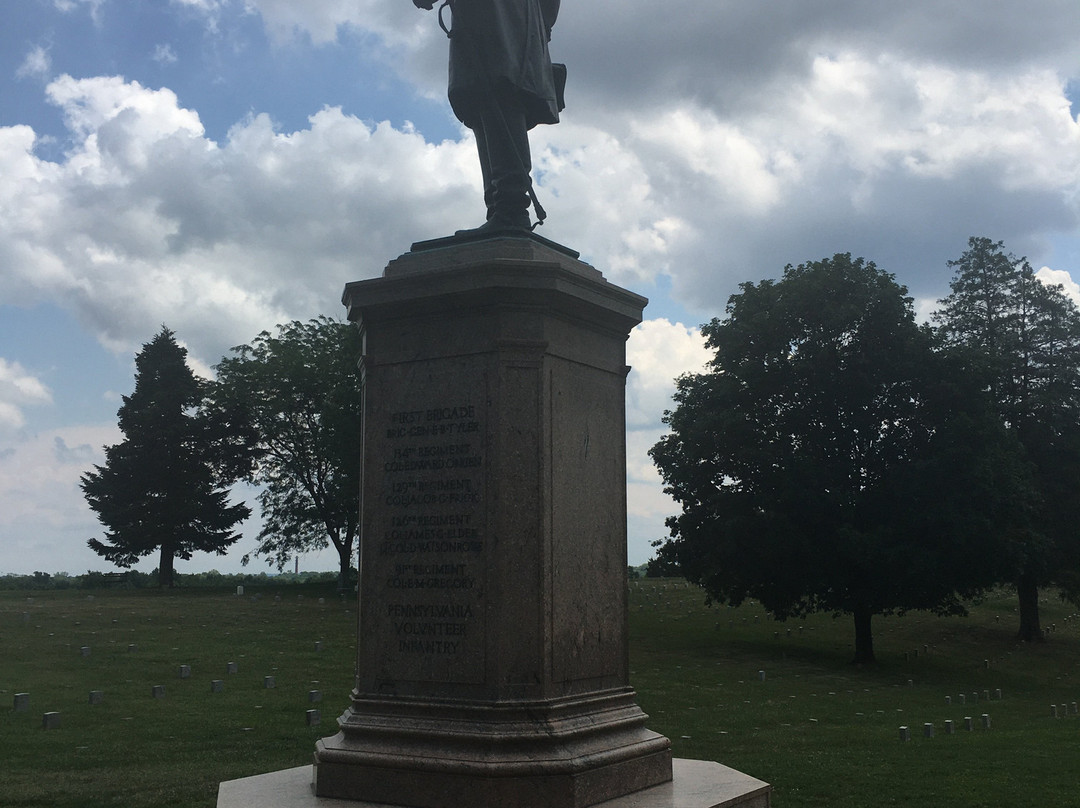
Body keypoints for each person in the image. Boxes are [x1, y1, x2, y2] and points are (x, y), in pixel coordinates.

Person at [413, 0, 562, 235]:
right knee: (481, 102)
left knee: (499, 94)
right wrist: (544, 24)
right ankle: (500, 209)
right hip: (492, 18)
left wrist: (543, 24)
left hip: (499, 18)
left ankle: (510, 209)